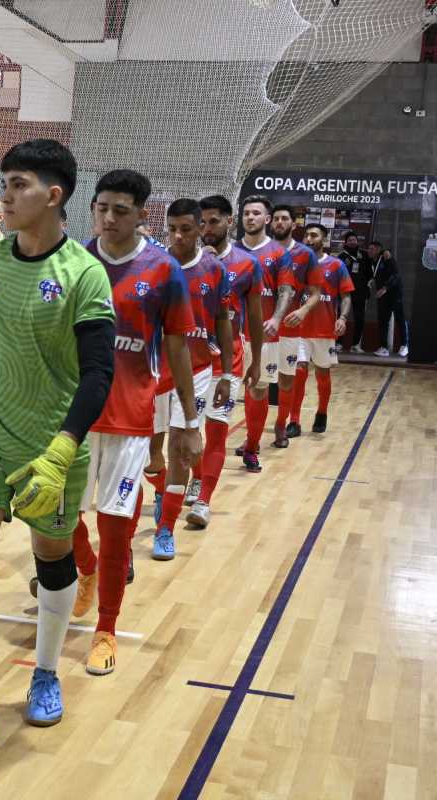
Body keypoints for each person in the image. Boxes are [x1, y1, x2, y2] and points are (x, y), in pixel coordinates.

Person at [0, 139, 114, 751]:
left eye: (17, 185)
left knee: (53, 558)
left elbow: (97, 375)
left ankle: (44, 673)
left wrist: (63, 448)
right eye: (4, 184)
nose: (4, 196)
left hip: (50, 445)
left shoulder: (84, 274)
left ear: (52, 195)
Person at [71, 169, 195, 675]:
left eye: (121, 210)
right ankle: (86, 570)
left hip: (131, 413)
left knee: (116, 523)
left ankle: (106, 627)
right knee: (57, 517)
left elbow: (177, 346)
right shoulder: (76, 259)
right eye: (102, 207)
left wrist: (189, 419)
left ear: (143, 213)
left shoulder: (163, 270)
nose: (109, 218)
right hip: (74, 412)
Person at [148, 198, 232, 559]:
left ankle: (165, 529)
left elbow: (224, 321)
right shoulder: (152, 264)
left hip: (196, 369)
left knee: (182, 447)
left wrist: (227, 372)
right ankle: (160, 491)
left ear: (201, 229)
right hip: (150, 369)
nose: (178, 236)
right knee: (151, 452)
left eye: (186, 228)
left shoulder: (214, 269)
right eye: (172, 229)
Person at [186, 195, 263, 527]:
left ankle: (203, 501)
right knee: (189, 432)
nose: (206, 228)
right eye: (201, 222)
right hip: (191, 359)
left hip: (229, 361)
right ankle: (196, 475)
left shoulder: (247, 264)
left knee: (217, 431)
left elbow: (256, 319)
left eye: (214, 221)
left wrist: (256, 361)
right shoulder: (183, 261)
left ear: (229, 222)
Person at [235, 196, 294, 460]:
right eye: (246, 213)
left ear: (267, 219)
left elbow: (286, 290)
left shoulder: (279, 254)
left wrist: (277, 318)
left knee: (258, 389)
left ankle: (252, 445)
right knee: (237, 390)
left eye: (256, 213)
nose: (250, 217)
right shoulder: (232, 250)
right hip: (232, 334)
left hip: (263, 336)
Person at [298, 224, 355, 432]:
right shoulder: (297, 263)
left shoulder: (336, 265)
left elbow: (346, 296)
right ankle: (294, 420)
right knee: (299, 371)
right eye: (307, 235)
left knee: (322, 374)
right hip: (299, 329)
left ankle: (321, 412)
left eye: (314, 235)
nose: (309, 239)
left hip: (324, 330)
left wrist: (342, 317)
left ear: (324, 239)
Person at [270, 204, 319, 441]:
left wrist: (303, 309)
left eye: (284, 219)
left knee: (288, 377)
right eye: (276, 218)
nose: (280, 222)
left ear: (293, 224)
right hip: (259, 328)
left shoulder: (305, 254)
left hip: (290, 327)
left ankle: (284, 423)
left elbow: (316, 293)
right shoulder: (259, 251)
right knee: (256, 380)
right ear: (270, 222)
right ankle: (253, 437)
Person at [368, 240, 408, 358]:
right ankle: (384, 347)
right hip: (382, 295)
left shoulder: (387, 257)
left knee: (400, 318)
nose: (369, 251)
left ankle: (404, 345)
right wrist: (373, 280)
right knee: (383, 321)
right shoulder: (372, 261)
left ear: (379, 249)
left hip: (394, 293)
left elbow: (396, 275)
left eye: (372, 249)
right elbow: (377, 274)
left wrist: (385, 287)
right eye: (369, 249)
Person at [339, 232, 372, 353]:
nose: (352, 242)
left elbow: (370, 272)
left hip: (360, 292)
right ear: (346, 242)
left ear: (357, 241)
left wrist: (367, 286)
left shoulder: (364, 255)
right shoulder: (341, 256)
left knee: (359, 318)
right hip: (345, 292)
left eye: (354, 240)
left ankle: (356, 345)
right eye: (350, 240)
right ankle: (338, 343)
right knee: (341, 317)